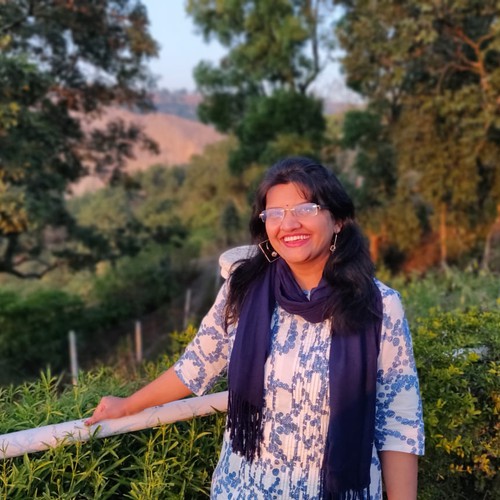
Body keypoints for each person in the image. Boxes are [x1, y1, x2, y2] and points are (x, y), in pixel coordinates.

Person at [86, 157, 424, 499]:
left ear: (337, 220)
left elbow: (399, 421)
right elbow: (197, 363)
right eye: (274, 213)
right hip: (245, 488)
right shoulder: (243, 289)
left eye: (305, 209)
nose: (288, 224)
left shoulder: (378, 305)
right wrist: (128, 405)